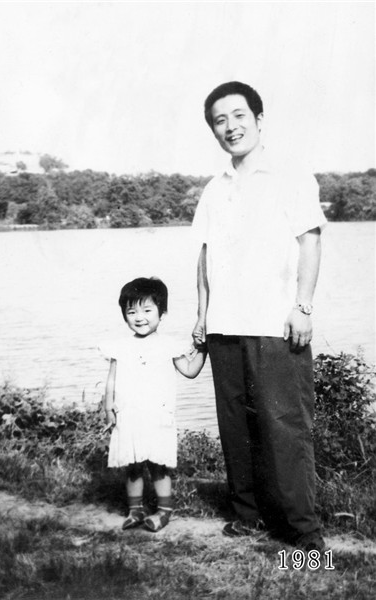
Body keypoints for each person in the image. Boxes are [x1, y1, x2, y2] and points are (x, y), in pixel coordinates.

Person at [191, 81, 327, 551]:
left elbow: (310, 240)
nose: (230, 127)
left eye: (238, 116)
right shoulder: (215, 188)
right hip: (224, 325)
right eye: (219, 120)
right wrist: (201, 317)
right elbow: (205, 257)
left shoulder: (290, 174)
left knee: (285, 426)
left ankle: (304, 534)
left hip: (275, 324)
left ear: (259, 119)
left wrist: (303, 306)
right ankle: (248, 517)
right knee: (236, 427)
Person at [100, 276, 207, 532]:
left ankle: (164, 510)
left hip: (157, 416)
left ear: (162, 312)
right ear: (124, 314)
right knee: (133, 465)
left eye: (147, 310)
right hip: (129, 415)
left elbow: (190, 370)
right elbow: (112, 380)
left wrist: (204, 348)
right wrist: (108, 408)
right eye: (132, 311)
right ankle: (135, 510)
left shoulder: (170, 345)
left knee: (158, 465)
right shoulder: (120, 346)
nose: (140, 317)